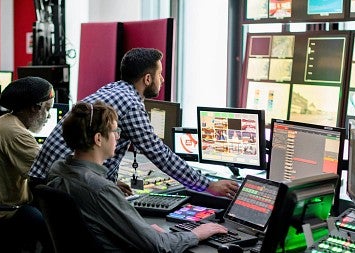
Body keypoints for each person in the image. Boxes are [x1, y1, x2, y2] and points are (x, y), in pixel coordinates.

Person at [30, 47, 238, 198]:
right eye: (159, 74)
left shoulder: (111, 89)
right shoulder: (130, 104)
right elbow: (159, 154)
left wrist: (109, 183)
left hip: (46, 183)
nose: (162, 80)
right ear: (147, 79)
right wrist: (209, 185)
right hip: (67, 187)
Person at [47, 101, 228, 252]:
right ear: (98, 139)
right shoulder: (101, 189)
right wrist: (197, 233)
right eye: (114, 131)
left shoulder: (58, 170)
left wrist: (142, 230)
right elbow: (159, 246)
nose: (118, 137)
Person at [0, 76, 55, 253]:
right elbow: (50, 172)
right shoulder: (15, 133)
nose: (48, 116)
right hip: (0, 213)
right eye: (47, 109)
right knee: (55, 226)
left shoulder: (6, 121)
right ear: (34, 108)